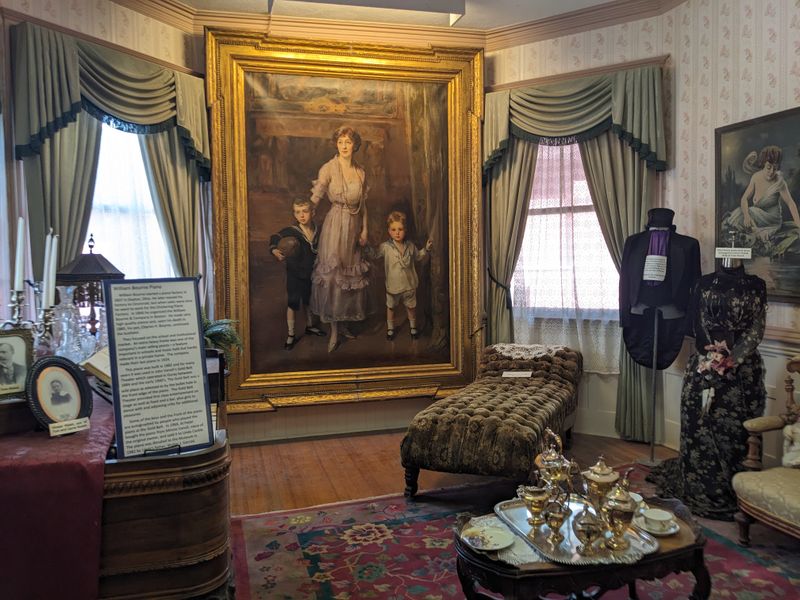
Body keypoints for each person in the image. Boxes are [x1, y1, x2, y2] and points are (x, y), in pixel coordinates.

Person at [646, 264, 767, 520]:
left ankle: (737, 490)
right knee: (698, 425)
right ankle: (700, 485)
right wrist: (713, 354)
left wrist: (735, 358)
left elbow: (757, 328)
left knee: (738, 430)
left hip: (744, 374)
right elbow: (697, 322)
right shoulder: (703, 283)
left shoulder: (757, 285)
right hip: (705, 365)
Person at [309, 126, 370, 353]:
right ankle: (334, 330)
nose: (344, 146)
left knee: (349, 275)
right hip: (335, 224)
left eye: (348, 142)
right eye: (341, 142)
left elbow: (364, 206)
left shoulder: (361, 171)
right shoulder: (329, 168)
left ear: (355, 145)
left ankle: (343, 324)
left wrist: (364, 230)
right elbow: (316, 197)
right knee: (334, 276)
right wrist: (306, 214)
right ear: (336, 144)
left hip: (353, 227)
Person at [270, 198, 326, 350]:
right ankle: (291, 334)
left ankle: (309, 326)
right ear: (294, 214)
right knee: (293, 303)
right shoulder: (291, 230)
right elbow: (274, 237)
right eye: (298, 212)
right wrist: (275, 250)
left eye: (305, 211)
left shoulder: (318, 230)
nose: (302, 215)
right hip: (295, 273)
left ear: (313, 212)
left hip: (312, 272)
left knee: (309, 301)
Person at [369, 211, 433, 340]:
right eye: (394, 229)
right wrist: (366, 248)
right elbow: (374, 255)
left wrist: (426, 249)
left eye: (400, 229)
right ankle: (390, 329)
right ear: (389, 231)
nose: (397, 232)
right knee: (391, 308)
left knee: (411, 307)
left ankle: (413, 328)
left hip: (409, 285)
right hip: (393, 286)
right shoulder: (385, 247)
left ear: (405, 230)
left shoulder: (410, 246)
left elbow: (418, 257)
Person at [722, 145, 800, 244]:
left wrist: (799, 225)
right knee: (739, 213)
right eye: (769, 167)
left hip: (772, 219)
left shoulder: (780, 182)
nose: (771, 172)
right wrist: (746, 216)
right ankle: (753, 230)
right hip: (756, 215)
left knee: (749, 212)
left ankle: (757, 232)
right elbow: (744, 199)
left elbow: (790, 203)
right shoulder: (756, 177)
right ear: (764, 164)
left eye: (775, 169)